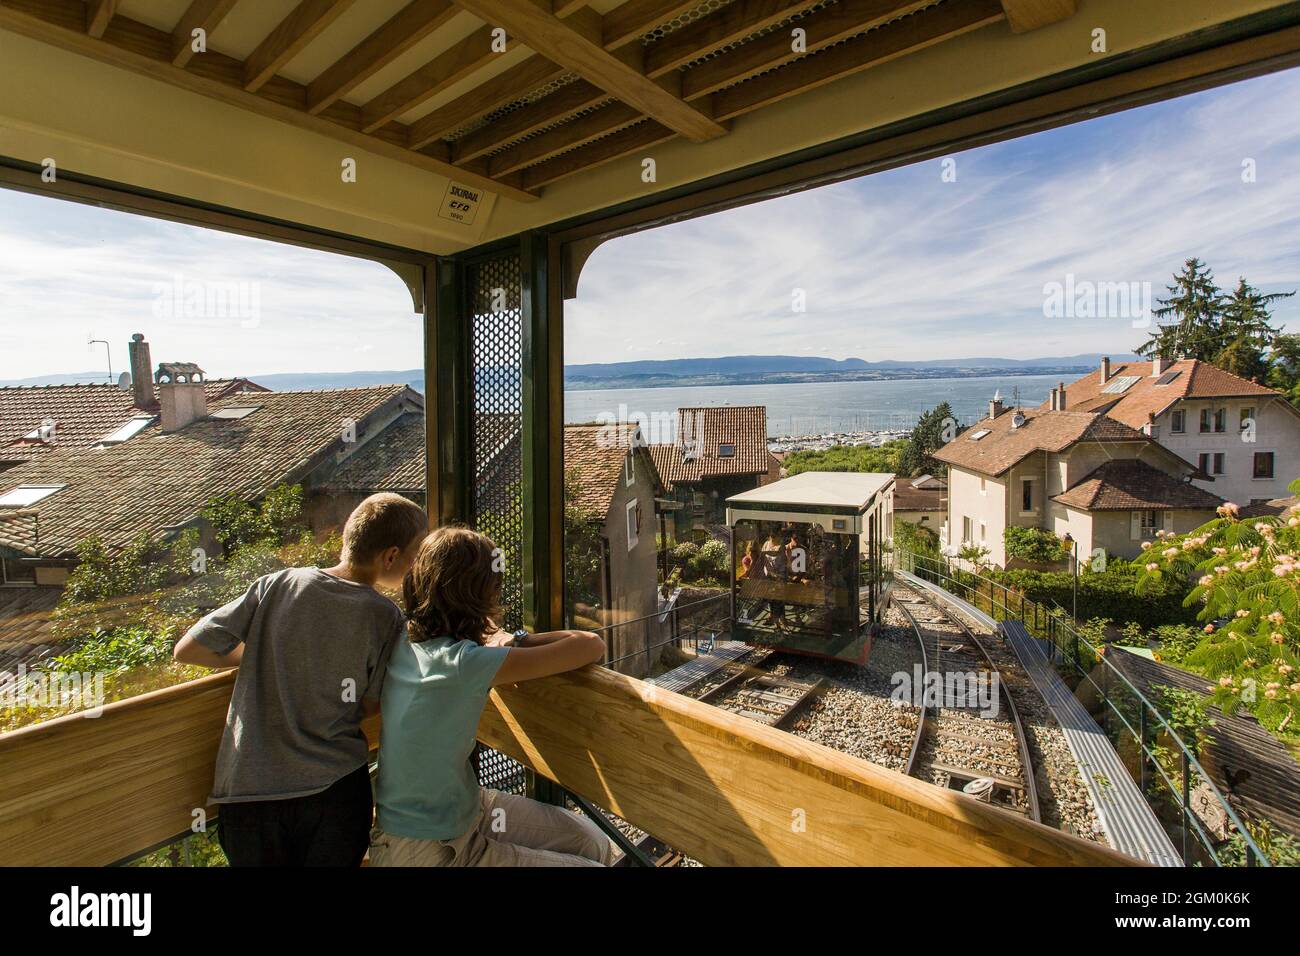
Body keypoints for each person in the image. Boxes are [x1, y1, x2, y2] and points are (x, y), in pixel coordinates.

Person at [173, 492, 428, 867]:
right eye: (414, 558)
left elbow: (189, 650)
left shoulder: (276, 584)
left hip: (249, 793)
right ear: (390, 556)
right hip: (333, 792)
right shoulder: (383, 616)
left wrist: (265, 654)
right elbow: (371, 704)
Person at [369, 526, 615, 867]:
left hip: (458, 813)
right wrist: (512, 639)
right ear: (477, 596)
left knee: (588, 840)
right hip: (427, 849)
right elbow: (590, 645)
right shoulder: (465, 662)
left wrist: (501, 641)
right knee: (593, 857)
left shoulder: (404, 641)